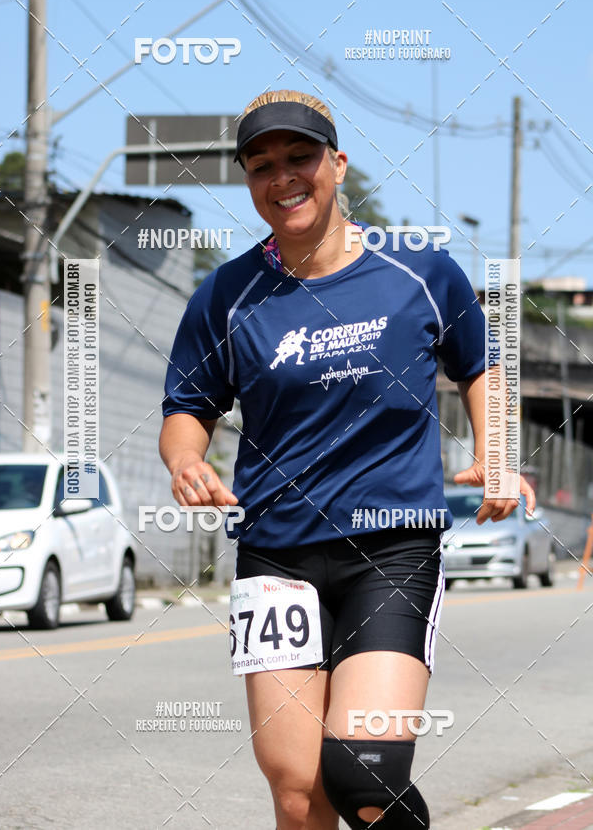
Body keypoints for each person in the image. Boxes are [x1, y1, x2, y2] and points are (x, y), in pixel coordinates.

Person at [159, 89, 535, 830]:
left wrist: (498, 453)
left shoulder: (417, 271)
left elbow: (483, 364)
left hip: (390, 549)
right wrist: (185, 462)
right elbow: (186, 407)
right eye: (261, 165)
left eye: (300, 157)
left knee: (363, 771)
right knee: (299, 793)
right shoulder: (228, 295)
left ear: (337, 163)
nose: (283, 177)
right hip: (275, 558)